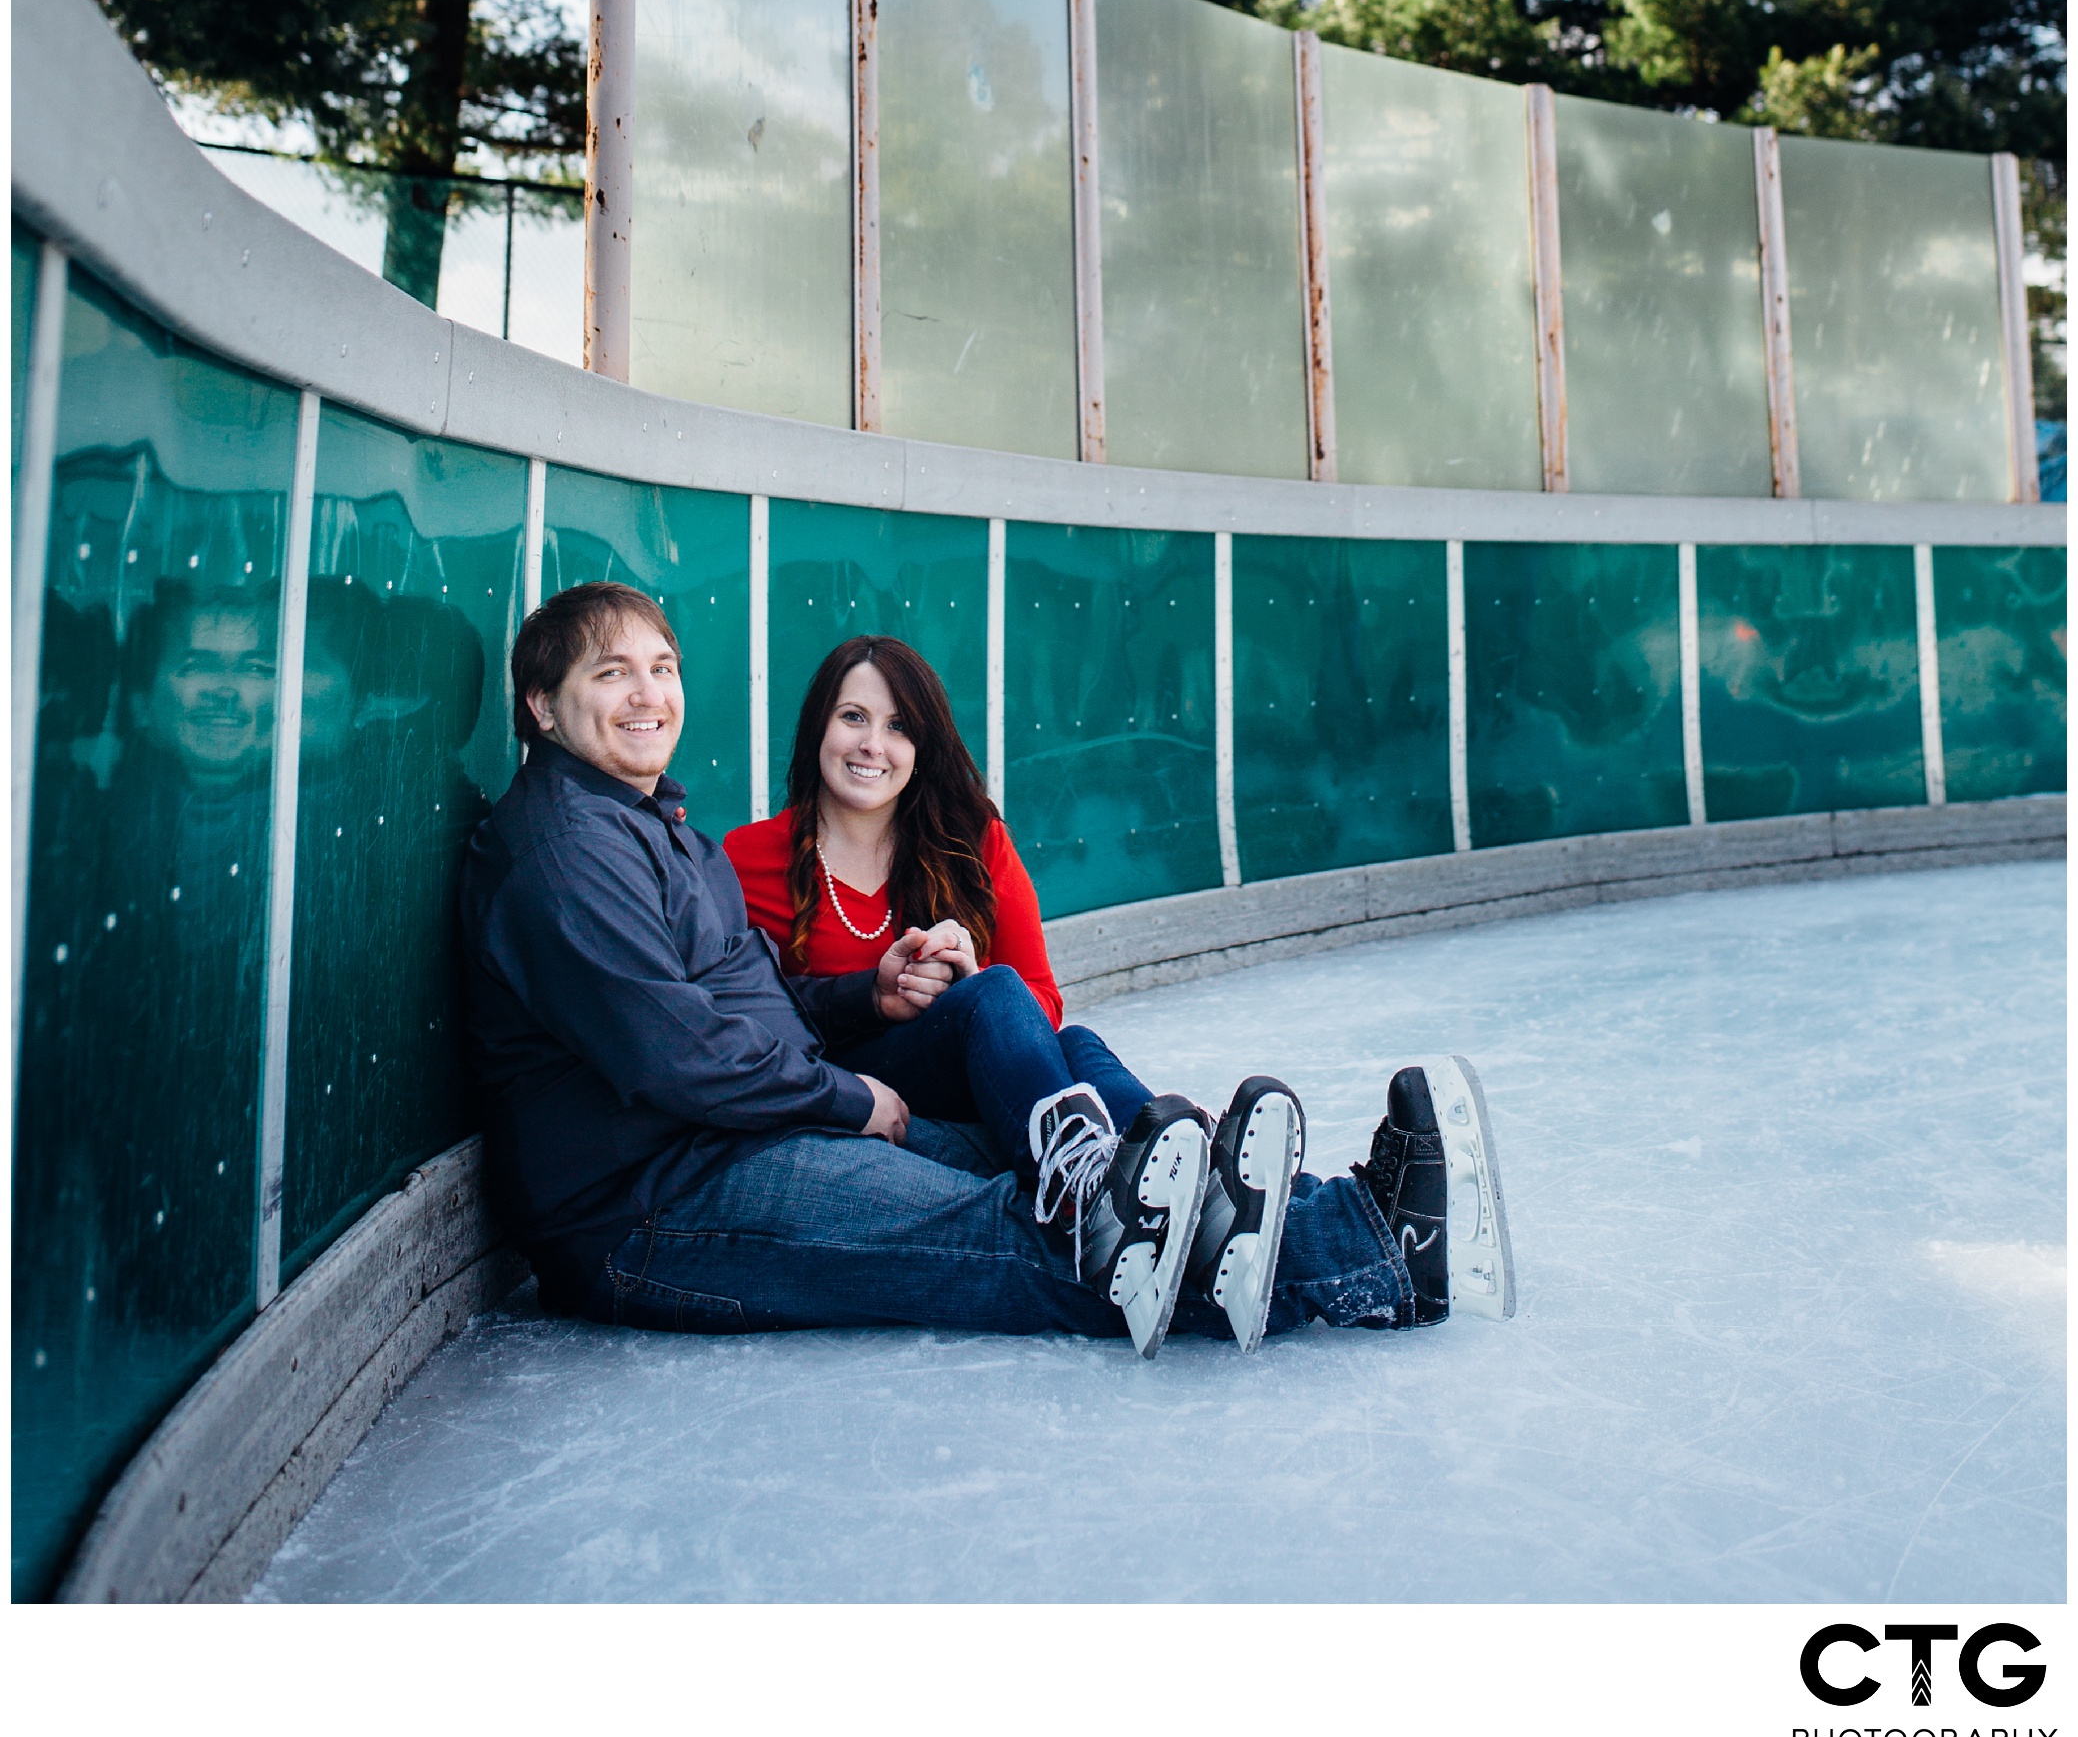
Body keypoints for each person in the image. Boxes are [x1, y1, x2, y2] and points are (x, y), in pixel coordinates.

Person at [459, 583, 1517, 1366]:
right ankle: (1364, 1246)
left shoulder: (649, 824)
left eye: (660, 666)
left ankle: (1328, 1212)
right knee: (1023, 1234)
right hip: (660, 1201)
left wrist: (859, 997)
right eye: (610, 673)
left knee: (1069, 1190)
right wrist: (854, 1094)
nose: (647, 693)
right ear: (541, 708)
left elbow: (759, 1009)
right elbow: (671, 1051)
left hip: (753, 1130)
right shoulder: (564, 848)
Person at [724, 636, 1170, 1202]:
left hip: (973, 1075)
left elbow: (1043, 1001)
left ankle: (1183, 1178)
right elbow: (737, 1017)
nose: (871, 745)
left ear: (922, 745)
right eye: (853, 717)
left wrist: (968, 979)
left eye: (899, 726)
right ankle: (1090, 1195)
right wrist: (874, 996)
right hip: (851, 1093)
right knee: (1000, 998)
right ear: (819, 726)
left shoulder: (975, 842)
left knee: (1073, 1041)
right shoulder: (746, 858)